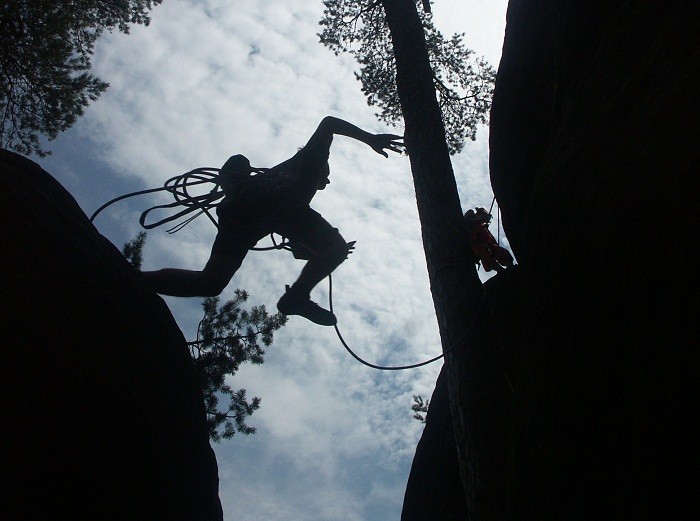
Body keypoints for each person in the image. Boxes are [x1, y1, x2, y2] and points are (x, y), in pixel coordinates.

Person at [142, 116, 403, 326]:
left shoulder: (291, 183)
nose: (327, 181)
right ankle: (297, 297)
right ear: (322, 164)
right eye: (327, 175)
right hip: (274, 207)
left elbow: (299, 247)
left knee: (211, 283)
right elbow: (329, 123)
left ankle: (140, 280)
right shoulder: (312, 159)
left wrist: (319, 251)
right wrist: (370, 139)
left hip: (242, 216)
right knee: (334, 247)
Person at [464, 207, 514, 272]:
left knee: (499, 251)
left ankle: (509, 265)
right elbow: (467, 222)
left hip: (484, 244)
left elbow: (493, 243)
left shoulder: (483, 228)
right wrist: (481, 220)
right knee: (485, 253)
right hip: (475, 242)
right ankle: (499, 270)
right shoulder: (471, 216)